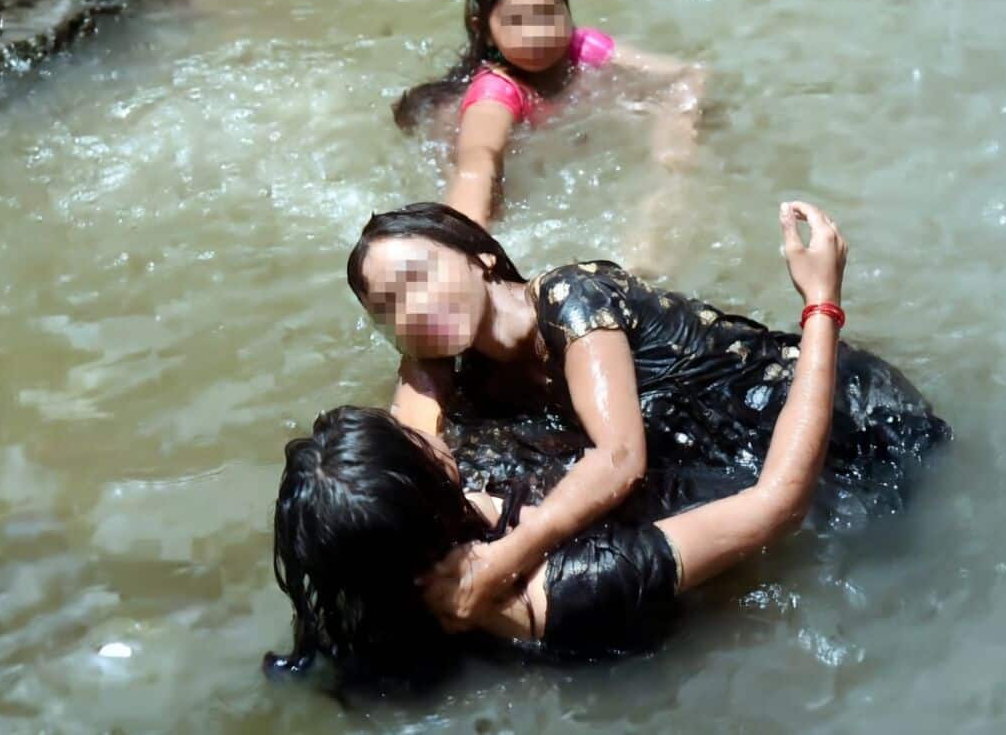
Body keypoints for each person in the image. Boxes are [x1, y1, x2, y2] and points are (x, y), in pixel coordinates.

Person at [268, 202, 875, 683]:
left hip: (824, 416)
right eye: (388, 308)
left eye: (418, 278)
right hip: (722, 465)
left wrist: (503, 558)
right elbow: (408, 461)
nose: (413, 310)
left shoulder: (570, 299)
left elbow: (618, 458)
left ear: (481, 254)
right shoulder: (444, 357)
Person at [393, 0, 705, 228]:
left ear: (568, 12)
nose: (537, 34)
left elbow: (687, 74)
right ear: (483, 30)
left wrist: (673, 145)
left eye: (548, 15)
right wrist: (467, 242)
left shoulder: (583, 47)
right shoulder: (496, 91)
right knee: (494, 204)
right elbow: (478, 161)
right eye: (517, 21)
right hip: (465, 145)